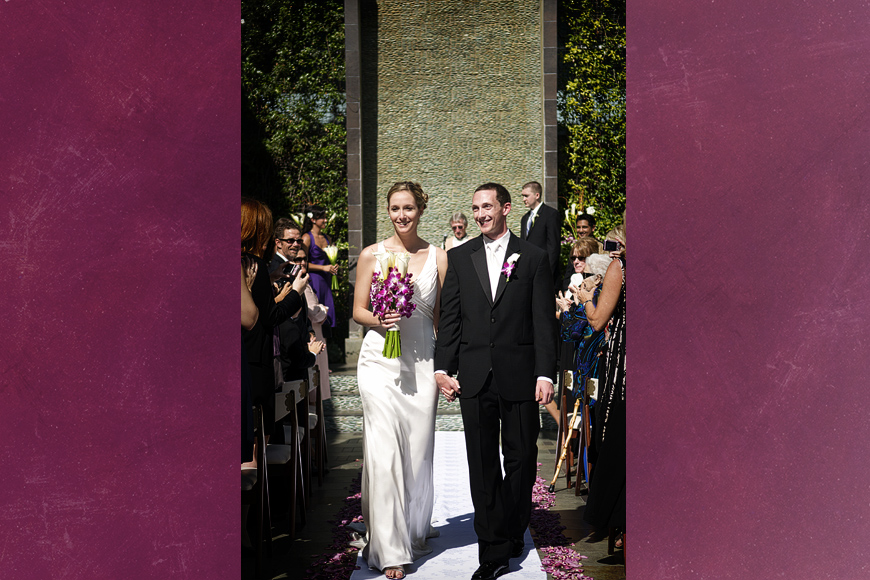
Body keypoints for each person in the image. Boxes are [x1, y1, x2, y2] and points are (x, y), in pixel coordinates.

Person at [435, 183, 557, 580]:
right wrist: (443, 368)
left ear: (505, 208)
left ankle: (511, 524)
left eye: (487, 207)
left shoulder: (534, 257)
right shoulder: (459, 257)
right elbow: (451, 319)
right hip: (474, 375)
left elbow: (542, 320)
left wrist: (544, 372)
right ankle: (492, 551)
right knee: (482, 463)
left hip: (521, 374)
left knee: (521, 459)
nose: (480, 214)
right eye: (475, 208)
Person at [352, 181, 448, 580]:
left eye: (408, 208)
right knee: (384, 451)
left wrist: (447, 368)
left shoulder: (440, 257)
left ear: (421, 209)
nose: (401, 215)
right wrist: (381, 318)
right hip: (378, 364)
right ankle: (390, 549)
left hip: (422, 364)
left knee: (417, 453)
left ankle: (410, 528)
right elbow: (358, 310)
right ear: (388, 211)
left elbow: (442, 320)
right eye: (395, 208)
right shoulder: (371, 254)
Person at [575, 221, 626, 553]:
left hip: (624, 363)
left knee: (617, 438)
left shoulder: (620, 267)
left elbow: (596, 319)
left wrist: (584, 298)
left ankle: (617, 520)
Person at [302, 205, 338, 331]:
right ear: (313, 220)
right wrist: (323, 268)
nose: (325, 220)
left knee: (327, 317)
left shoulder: (327, 238)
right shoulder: (306, 238)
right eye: (322, 217)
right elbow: (302, 263)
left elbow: (328, 260)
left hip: (326, 281)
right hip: (314, 280)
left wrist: (333, 266)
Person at [519, 181, 561, 283]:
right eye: (523, 196)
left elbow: (553, 247)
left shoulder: (551, 214)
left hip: (544, 271)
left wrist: (547, 273)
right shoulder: (525, 218)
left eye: (526, 196)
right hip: (528, 272)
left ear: (537, 195)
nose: (524, 199)